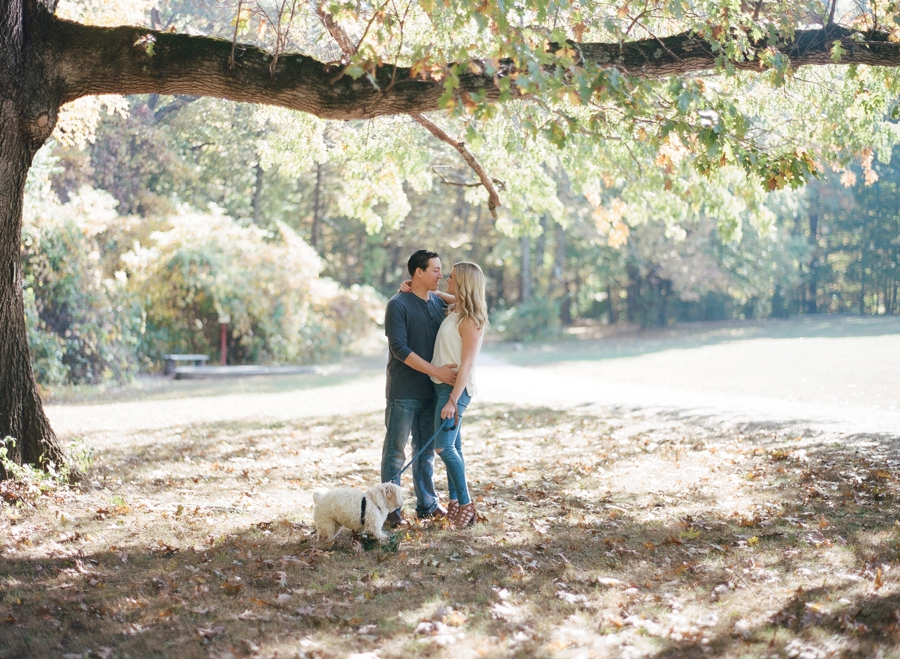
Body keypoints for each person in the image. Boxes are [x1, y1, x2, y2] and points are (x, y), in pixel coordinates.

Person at [381, 250, 458, 526]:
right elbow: (400, 349)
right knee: (395, 452)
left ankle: (427, 504)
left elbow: (466, 301)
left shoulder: (438, 304)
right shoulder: (397, 304)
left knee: (425, 452)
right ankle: (391, 511)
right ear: (418, 273)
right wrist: (436, 370)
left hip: (431, 393)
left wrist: (433, 293)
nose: (441, 275)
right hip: (403, 391)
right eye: (435, 270)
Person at [430, 262, 488, 528]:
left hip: (456, 391)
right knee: (455, 447)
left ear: (462, 283)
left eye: (451, 277)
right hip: (443, 387)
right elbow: (451, 297)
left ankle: (465, 503)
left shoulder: (470, 321)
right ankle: (454, 502)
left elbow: (467, 365)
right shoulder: (457, 310)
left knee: (443, 446)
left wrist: (453, 400)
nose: (446, 279)